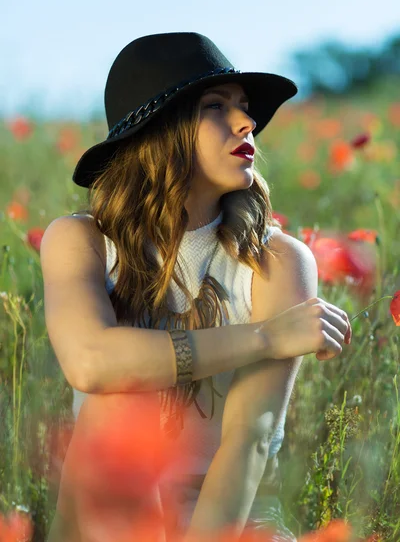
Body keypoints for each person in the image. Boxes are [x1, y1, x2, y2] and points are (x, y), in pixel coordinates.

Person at [40, 32, 352, 542]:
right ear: (160, 130)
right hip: (109, 515)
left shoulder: (278, 262)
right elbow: (92, 362)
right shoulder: (83, 241)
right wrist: (264, 338)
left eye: (245, 108)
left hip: (231, 518)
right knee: (121, 398)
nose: (247, 122)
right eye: (215, 106)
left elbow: (249, 440)